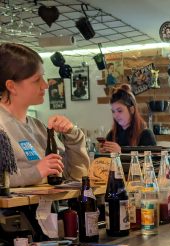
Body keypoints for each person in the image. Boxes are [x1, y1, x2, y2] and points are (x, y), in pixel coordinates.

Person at [0, 43, 89, 187]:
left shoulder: (39, 127)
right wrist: (36, 172)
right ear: (11, 86)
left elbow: (74, 176)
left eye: (43, 78)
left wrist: (73, 136)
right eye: (37, 80)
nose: (45, 85)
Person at [101, 84, 156, 153]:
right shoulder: (111, 135)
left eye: (120, 111)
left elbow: (151, 160)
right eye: (113, 111)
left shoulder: (146, 135)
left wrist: (120, 153)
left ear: (132, 110)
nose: (115, 115)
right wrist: (103, 154)